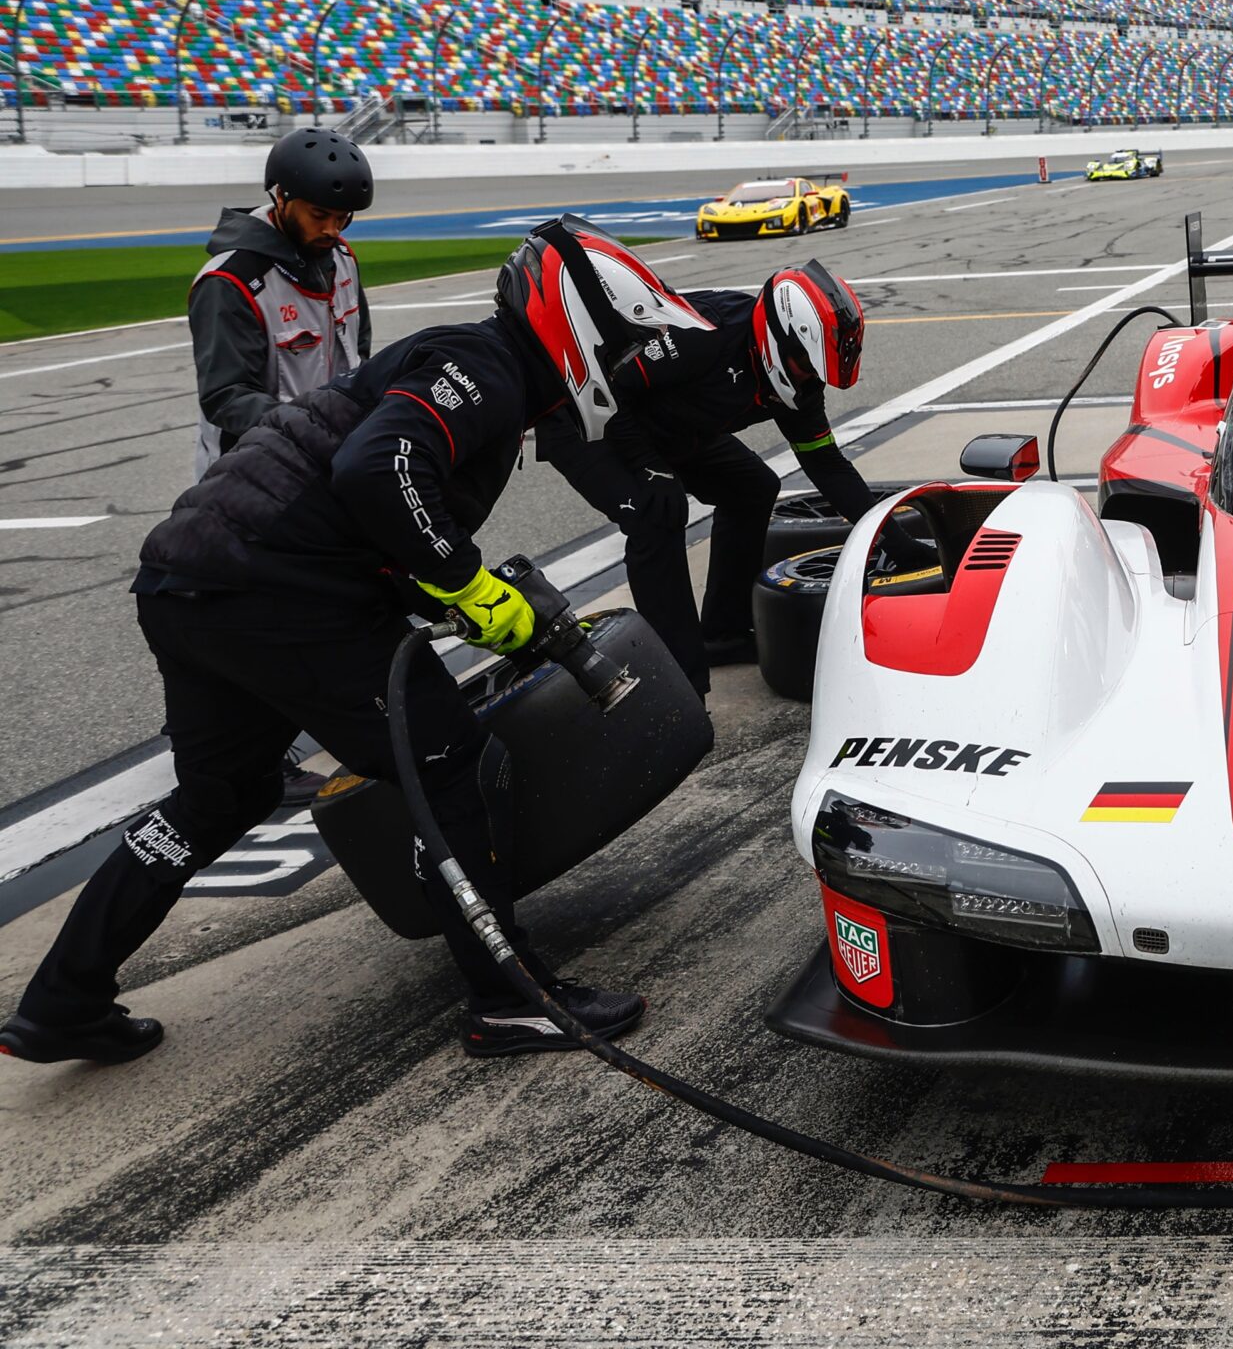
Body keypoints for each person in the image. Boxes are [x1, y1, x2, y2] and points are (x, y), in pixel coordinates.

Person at [0, 217, 709, 1067]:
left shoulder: (480, 367)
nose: (634, 369)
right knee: (456, 760)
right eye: (629, 349)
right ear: (581, 330)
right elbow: (379, 472)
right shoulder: (482, 367)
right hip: (275, 590)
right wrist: (466, 580)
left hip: (194, 580)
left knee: (215, 800)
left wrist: (454, 590)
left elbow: (374, 506)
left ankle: (61, 1000)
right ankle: (507, 998)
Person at [542, 263, 930, 695]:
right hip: (586, 415)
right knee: (659, 513)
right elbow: (603, 389)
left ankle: (722, 633)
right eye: (807, 366)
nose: (810, 380)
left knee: (753, 487)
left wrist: (895, 540)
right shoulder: (703, 336)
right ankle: (676, 675)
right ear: (779, 339)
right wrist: (650, 470)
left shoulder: (799, 379)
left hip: (669, 425)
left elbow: (827, 465)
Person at [191, 128, 377, 807]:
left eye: (343, 219)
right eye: (319, 216)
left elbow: (359, 359)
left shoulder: (345, 258)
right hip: (252, 479)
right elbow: (225, 397)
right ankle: (252, 763)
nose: (332, 230)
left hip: (332, 469)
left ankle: (219, 728)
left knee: (331, 604)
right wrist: (309, 431)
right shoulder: (231, 282)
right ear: (281, 199)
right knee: (267, 620)